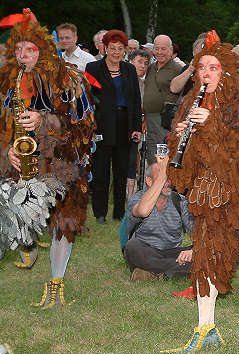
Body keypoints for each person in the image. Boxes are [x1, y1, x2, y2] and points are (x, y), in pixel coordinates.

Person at [162, 31, 239, 354]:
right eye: (202, 68)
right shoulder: (191, 100)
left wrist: (212, 123)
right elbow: (183, 159)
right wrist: (179, 136)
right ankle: (205, 327)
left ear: (226, 70)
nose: (206, 74)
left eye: (213, 68)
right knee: (207, 254)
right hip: (207, 193)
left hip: (238, 194)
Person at [1, 8, 95, 307]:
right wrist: (8, 150)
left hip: (64, 162)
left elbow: (84, 125)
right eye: (19, 50)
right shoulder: (12, 82)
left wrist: (45, 120)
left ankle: (56, 284)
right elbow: (4, 125)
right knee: (19, 216)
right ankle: (27, 247)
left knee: (63, 223)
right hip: (26, 160)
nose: (23, 56)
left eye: (29, 50)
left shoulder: (69, 80)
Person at [86, 30, 142, 224]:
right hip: (101, 125)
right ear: (105, 49)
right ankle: (100, 213)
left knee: (121, 171)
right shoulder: (93, 68)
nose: (116, 52)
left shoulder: (130, 69)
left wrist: (136, 127)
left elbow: (136, 100)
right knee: (101, 171)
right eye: (112, 48)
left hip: (125, 124)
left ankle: (119, 212)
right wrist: (91, 127)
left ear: (125, 50)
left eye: (120, 49)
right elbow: (87, 99)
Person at [125, 156, 193, 281]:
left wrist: (193, 251)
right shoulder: (136, 199)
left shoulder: (179, 201)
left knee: (204, 252)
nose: (167, 182)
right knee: (132, 246)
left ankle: (151, 272)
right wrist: (162, 177)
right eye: (162, 177)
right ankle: (174, 271)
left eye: (168, 177)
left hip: (174, 253)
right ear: (149, 181)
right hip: (146, 251)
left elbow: (196, 231)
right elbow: (143, 211)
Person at [143, 34, 182, 166]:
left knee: (163, 155)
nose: (159, 52)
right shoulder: (151, 67)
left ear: (171, 50)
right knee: (151, 154)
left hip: (166, 120)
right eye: (157, 48)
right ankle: (153, 178)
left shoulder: (177, 69)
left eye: (163, 49)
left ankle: (163, 179)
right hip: (150, 119)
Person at [127, 48, 151, 197]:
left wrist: (145, 118)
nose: (143, 66)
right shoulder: (121, 80)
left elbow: (146, 105)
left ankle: (131, 195)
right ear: (130, 62)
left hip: (137, 126)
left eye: (146, 63)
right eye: (139, 62)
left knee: (133, 158)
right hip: (121, 124)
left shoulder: (144, 84)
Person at [169, 34, 206, 98]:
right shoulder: (188, 69)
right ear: (193, 53)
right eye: (197, 57)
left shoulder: (220, 71)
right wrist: (190, 70)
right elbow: (174, 89)